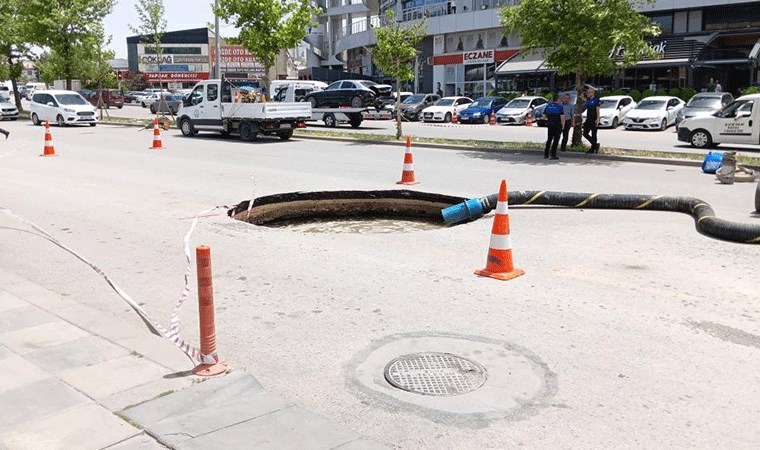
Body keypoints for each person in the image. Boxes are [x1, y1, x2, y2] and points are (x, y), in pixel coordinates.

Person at [542, 95, 565, 160]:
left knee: (549, 139)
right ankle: (553, 155)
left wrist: (548, 118)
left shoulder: (548, 106)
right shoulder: (560, 107)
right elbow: (562, 117)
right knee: (556, 140)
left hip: (550, 125)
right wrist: (563, 126)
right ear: (558, 100)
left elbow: (543, 115)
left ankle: (546, 155)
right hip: (557, 125)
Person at [583, 88, 600, 154]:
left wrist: (598, 118)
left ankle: (593, 148)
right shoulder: (588, 100)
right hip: (588, 119)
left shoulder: (596, 100)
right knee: (585, 133)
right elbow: (581, 97)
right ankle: (596, 145)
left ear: (593, 93)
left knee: (594, 134)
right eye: (587, 92)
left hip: (594, 119)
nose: (588, 94)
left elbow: (597, 109)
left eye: (589, 92)